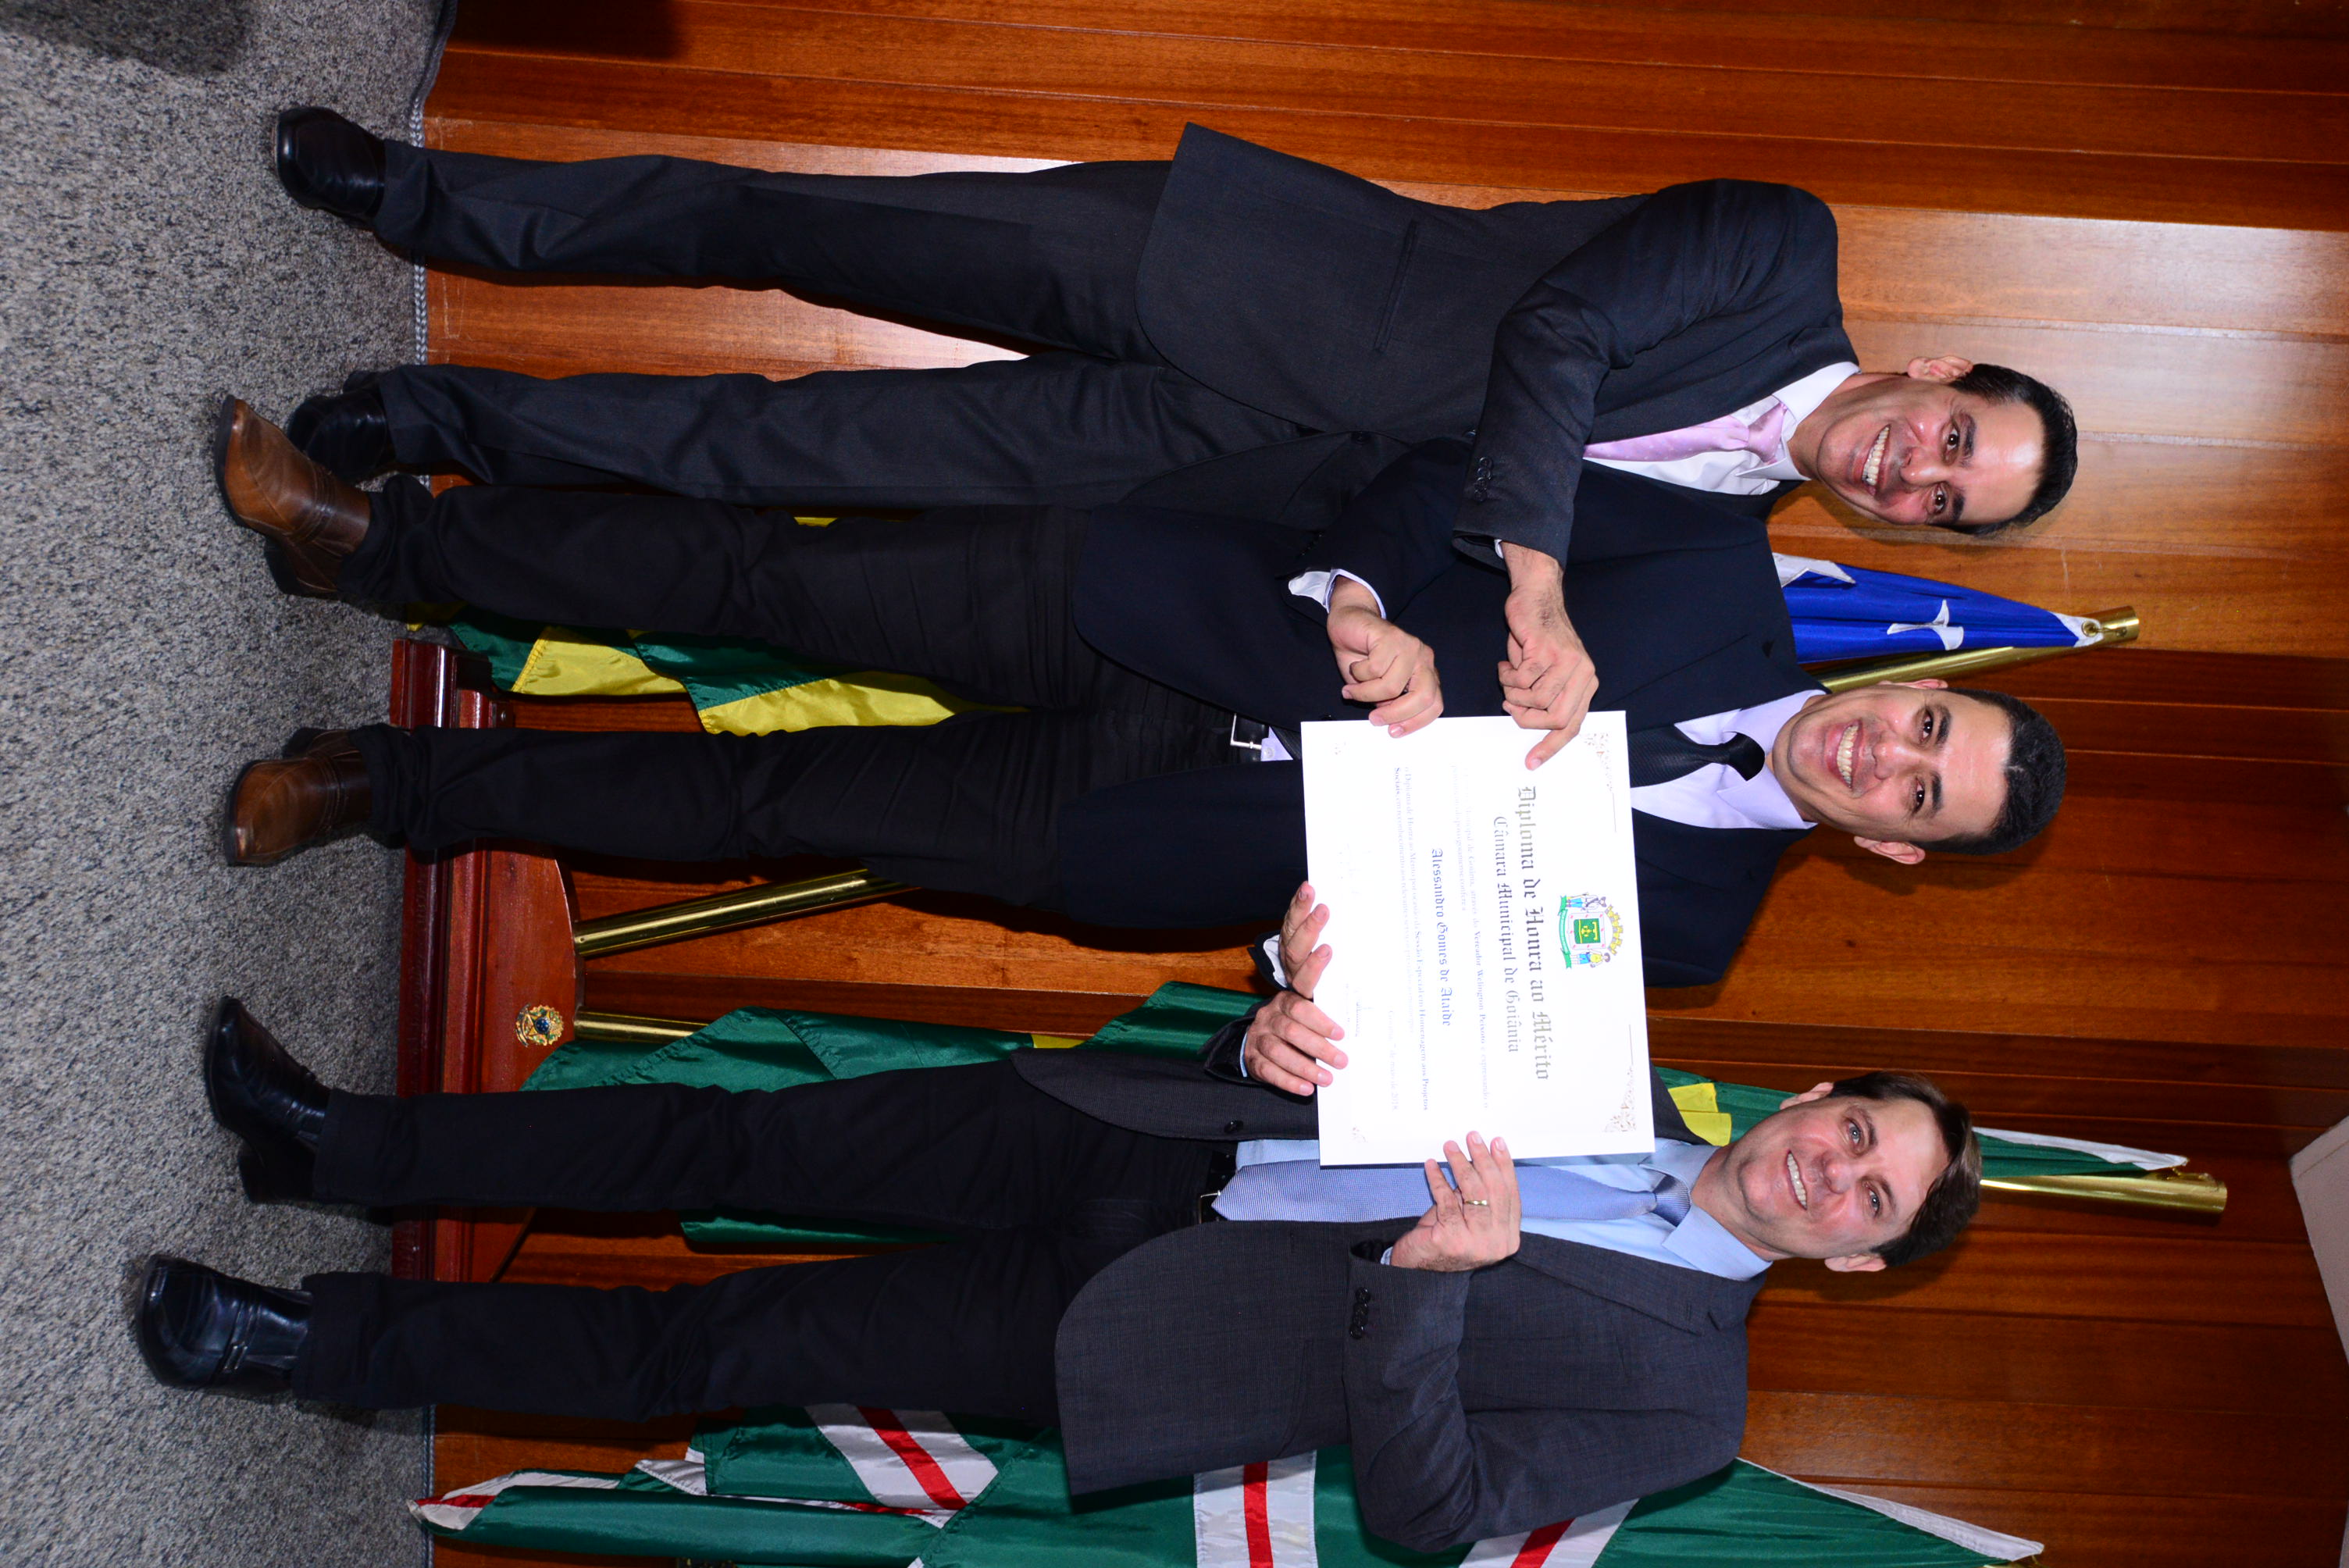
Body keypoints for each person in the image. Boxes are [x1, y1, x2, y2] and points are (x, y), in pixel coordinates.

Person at [268, 108, 2080, 760]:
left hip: (1202, 470)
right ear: (1935, 371)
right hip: (1222, 268)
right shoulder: (1778, 252)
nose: (1915, 470)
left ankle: (427, 418)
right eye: (1952, 434)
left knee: (792, 456)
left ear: (1919, 533)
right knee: (787, 226)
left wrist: (1443, 642)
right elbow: (1564, 326)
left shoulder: (1707, 546)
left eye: (1947, 501)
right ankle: (425, 198)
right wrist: (1535, 575)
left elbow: (1420, 534)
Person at [137, 932, 1983, 1551]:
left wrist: (1432, 1292)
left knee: (716, 1347)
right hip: (1136, 1129)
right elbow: (1349, 1025)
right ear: (1819, 1093)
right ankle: (342, 1139)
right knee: (724, 1129)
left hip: (1129, 1331)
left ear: (1853, 1261)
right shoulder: (1600, 1062)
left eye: (1873, 1197)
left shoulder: (1688, 1411)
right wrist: (1278, 1009)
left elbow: (1434, 1513)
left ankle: (310, 1343)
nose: (1837, 1172)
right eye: (1857, 1131)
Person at [213, 400, 2066, 987]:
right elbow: (1452, 468)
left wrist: (1309, 981)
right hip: (1164, 608)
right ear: (1918, 682)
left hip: (1146, 838)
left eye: (1921, 790)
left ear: (1895, 850)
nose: (1886, 752)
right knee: (764, 578)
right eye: (1930, 723)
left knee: (764, 810)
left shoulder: (1696, 934)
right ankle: (376, 542)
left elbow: (1430, 1001)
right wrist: (1367, 597)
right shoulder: (1719, 570)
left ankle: (385, 785)